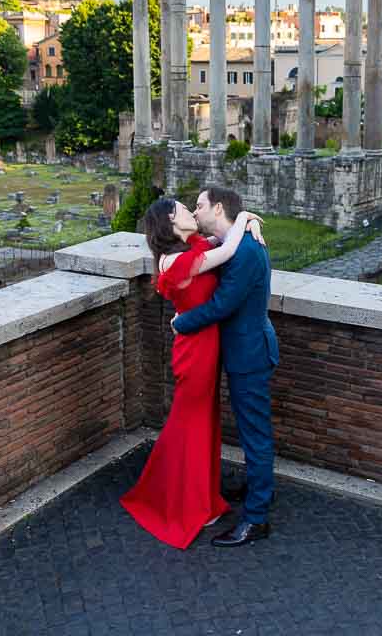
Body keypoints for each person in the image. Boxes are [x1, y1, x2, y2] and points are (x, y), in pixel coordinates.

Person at [121, 197, 264, 549]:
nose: (191, 212)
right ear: (171, 220)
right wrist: (245, 214)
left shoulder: (192, 248)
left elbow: (224, 240)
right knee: (192, 426)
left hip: (207, 348)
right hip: (195, 352)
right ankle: (187, 503)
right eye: (185, 209)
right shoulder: (177, 260)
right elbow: (227, 251)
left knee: (201, 424)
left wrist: (250, 223)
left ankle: (199, 497)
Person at [173, 187, 279, 548]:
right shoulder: (239, 242)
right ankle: (256, 488)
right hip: (245, 350)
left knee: (255, 436)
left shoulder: (245, 252)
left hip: (249, 355)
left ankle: (256, 518)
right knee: (252, 432)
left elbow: (221, 305)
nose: (195, 212)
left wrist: (180, 324)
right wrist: (247, 218)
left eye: (199, 206)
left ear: (217, 208)